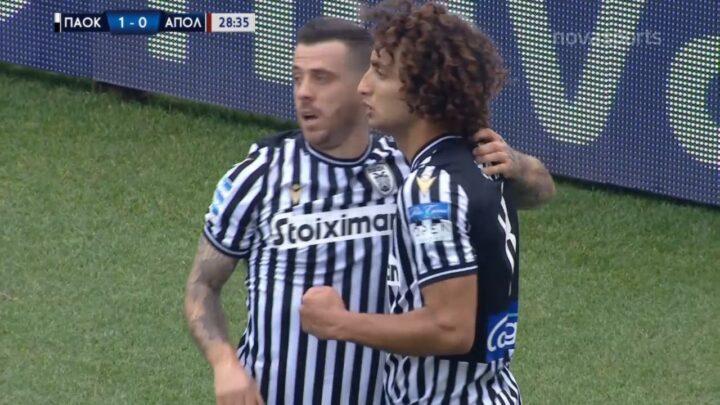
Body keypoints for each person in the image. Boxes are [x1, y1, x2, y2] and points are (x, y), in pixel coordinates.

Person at [185, 16, 552, 405]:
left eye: (322, 79)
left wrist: (519, 165)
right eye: (297, 78)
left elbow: (531, 193)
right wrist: (224, 363)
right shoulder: (258, 176)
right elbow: (201, 285)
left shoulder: (415, 173)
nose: (304, 93)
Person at [300, 2, 524, 404]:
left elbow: (450, 329)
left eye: (380, 72)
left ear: (424, 89)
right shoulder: (481, 161)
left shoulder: (431, 188)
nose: (363, 86)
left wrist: (338, 323)